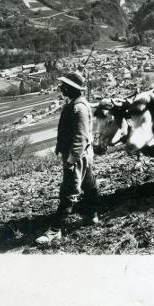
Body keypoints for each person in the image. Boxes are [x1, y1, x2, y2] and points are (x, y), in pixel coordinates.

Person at [36, 72, 99, 245]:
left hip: (76, 155)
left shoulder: (78, 109)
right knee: (89, 184)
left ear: (72, 88)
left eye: (64, 86)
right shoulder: (76, 105)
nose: (61, 88)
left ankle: (55, 230)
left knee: (69, 191)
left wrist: (71, 161)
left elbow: (80, 138)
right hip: (81, 155)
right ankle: (92, 215)